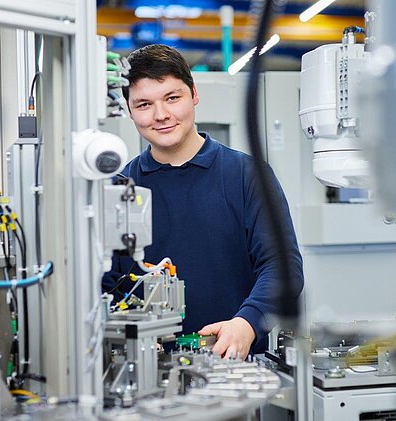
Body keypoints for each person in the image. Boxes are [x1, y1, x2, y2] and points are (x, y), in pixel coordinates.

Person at [103, 44, 303, 359]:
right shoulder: (119, 189)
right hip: (145, 374)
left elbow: (282, 268)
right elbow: (108, 282)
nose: (161, 115)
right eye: (143, 104)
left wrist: (246, 324)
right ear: (129, 110)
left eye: (172, 98)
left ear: (194, 94)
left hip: (235, 369)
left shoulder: (246, 175)